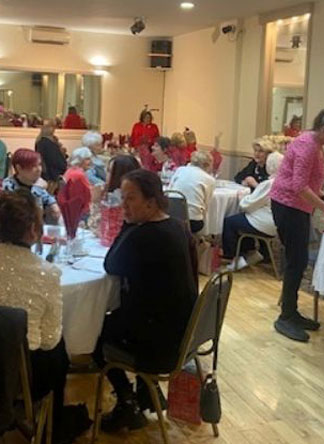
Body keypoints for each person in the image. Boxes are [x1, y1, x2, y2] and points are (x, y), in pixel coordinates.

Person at [0, 190, 89, 443]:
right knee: (58, 349)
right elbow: (49, 340)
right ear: (33, 229)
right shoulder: (46, 273)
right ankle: (49, 425)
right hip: (24, 377)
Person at [97, 169, 198, 433]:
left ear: (151, 203)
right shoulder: (176, 226)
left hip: (159, 343)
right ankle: (145, 391)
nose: (123, 205)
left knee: (93, 333)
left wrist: (127, 224)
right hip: (183, 331)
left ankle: (126, 403)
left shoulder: (145, 235)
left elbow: (111, 264)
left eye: (130, 199)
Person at [270, 108, 324, 343]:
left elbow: (311, 184)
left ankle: (291, 312)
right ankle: (285, 316)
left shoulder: (317, 145)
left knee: (299, 260)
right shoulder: (307, 145)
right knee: (296, 261)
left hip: (297, 206)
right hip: (288, 205)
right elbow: (299, 187)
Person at [222, 151, 283, 270]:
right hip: (277, 224)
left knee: (229, 222)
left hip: (264, 222)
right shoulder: (283, 182)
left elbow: (247, 205)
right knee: (242, 219)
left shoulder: (269, 184)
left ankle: (233, 257)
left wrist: (242, 198)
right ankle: (248, 252)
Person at [2, 149, 62, 224]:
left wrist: (54, 204)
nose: (39, 169)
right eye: (33, 166)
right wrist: (37, 189)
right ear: (19, 168)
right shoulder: (8, 186)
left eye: (39, 164)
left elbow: (47, 197)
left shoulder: (35, 181)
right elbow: (26, 211)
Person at [167, 150, 217, 234]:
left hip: (172, 215)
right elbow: (206, 204)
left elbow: (169, 190)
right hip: (193, 220)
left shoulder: (180, 170)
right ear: (207, 165)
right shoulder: (209, 180)